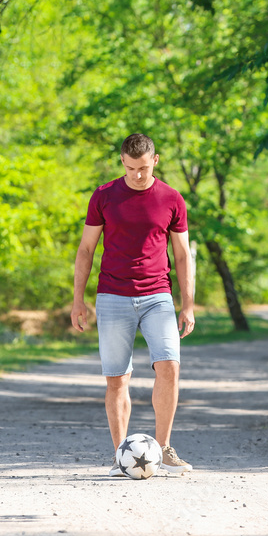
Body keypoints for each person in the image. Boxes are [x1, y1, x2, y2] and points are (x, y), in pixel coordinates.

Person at [71, 133, 196, 476]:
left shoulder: (171, 198)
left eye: (143, 168)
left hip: (158, 295)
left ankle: (164, 449)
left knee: (169, 366)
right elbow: (86, 250)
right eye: (130, 168)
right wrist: (77, 299)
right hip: (112, 295)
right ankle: (120, 455)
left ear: (155, 160)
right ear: (122, 162)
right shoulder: (104, 196)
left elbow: (183, 255)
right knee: (116, 379)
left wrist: (188, 304)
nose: (137, 175)